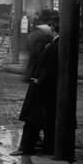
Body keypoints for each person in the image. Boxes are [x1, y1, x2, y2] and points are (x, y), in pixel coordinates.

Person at [13, 23, 58, 155]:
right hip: (43, 83)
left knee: (33, 117)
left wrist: (39, 79)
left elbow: (45, 63)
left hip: (42, 85)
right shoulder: (50, 40)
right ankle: (44, 144)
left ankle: (28, 147)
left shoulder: (52, 43)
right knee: (41, 118)